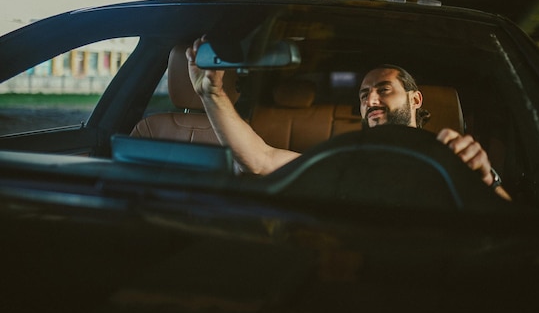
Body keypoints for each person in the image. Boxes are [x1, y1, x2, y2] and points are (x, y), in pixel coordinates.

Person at [186, 37, 511, 200]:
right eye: (363, 94)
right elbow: (260, 159)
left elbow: (511, 226)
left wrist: (486, 181)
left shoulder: (452, 157)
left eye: (384, 90)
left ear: (415, 99)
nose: (370, 100)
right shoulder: (343, 160)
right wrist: (212, 95)